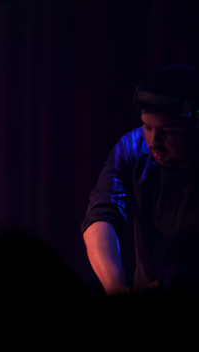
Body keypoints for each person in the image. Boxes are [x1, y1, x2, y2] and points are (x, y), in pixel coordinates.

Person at [82, 64, 199, 295]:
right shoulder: (130, 148)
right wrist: (115, 288)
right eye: (147, 127)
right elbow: (102, 214)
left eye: (169, 131)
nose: (154, 142)